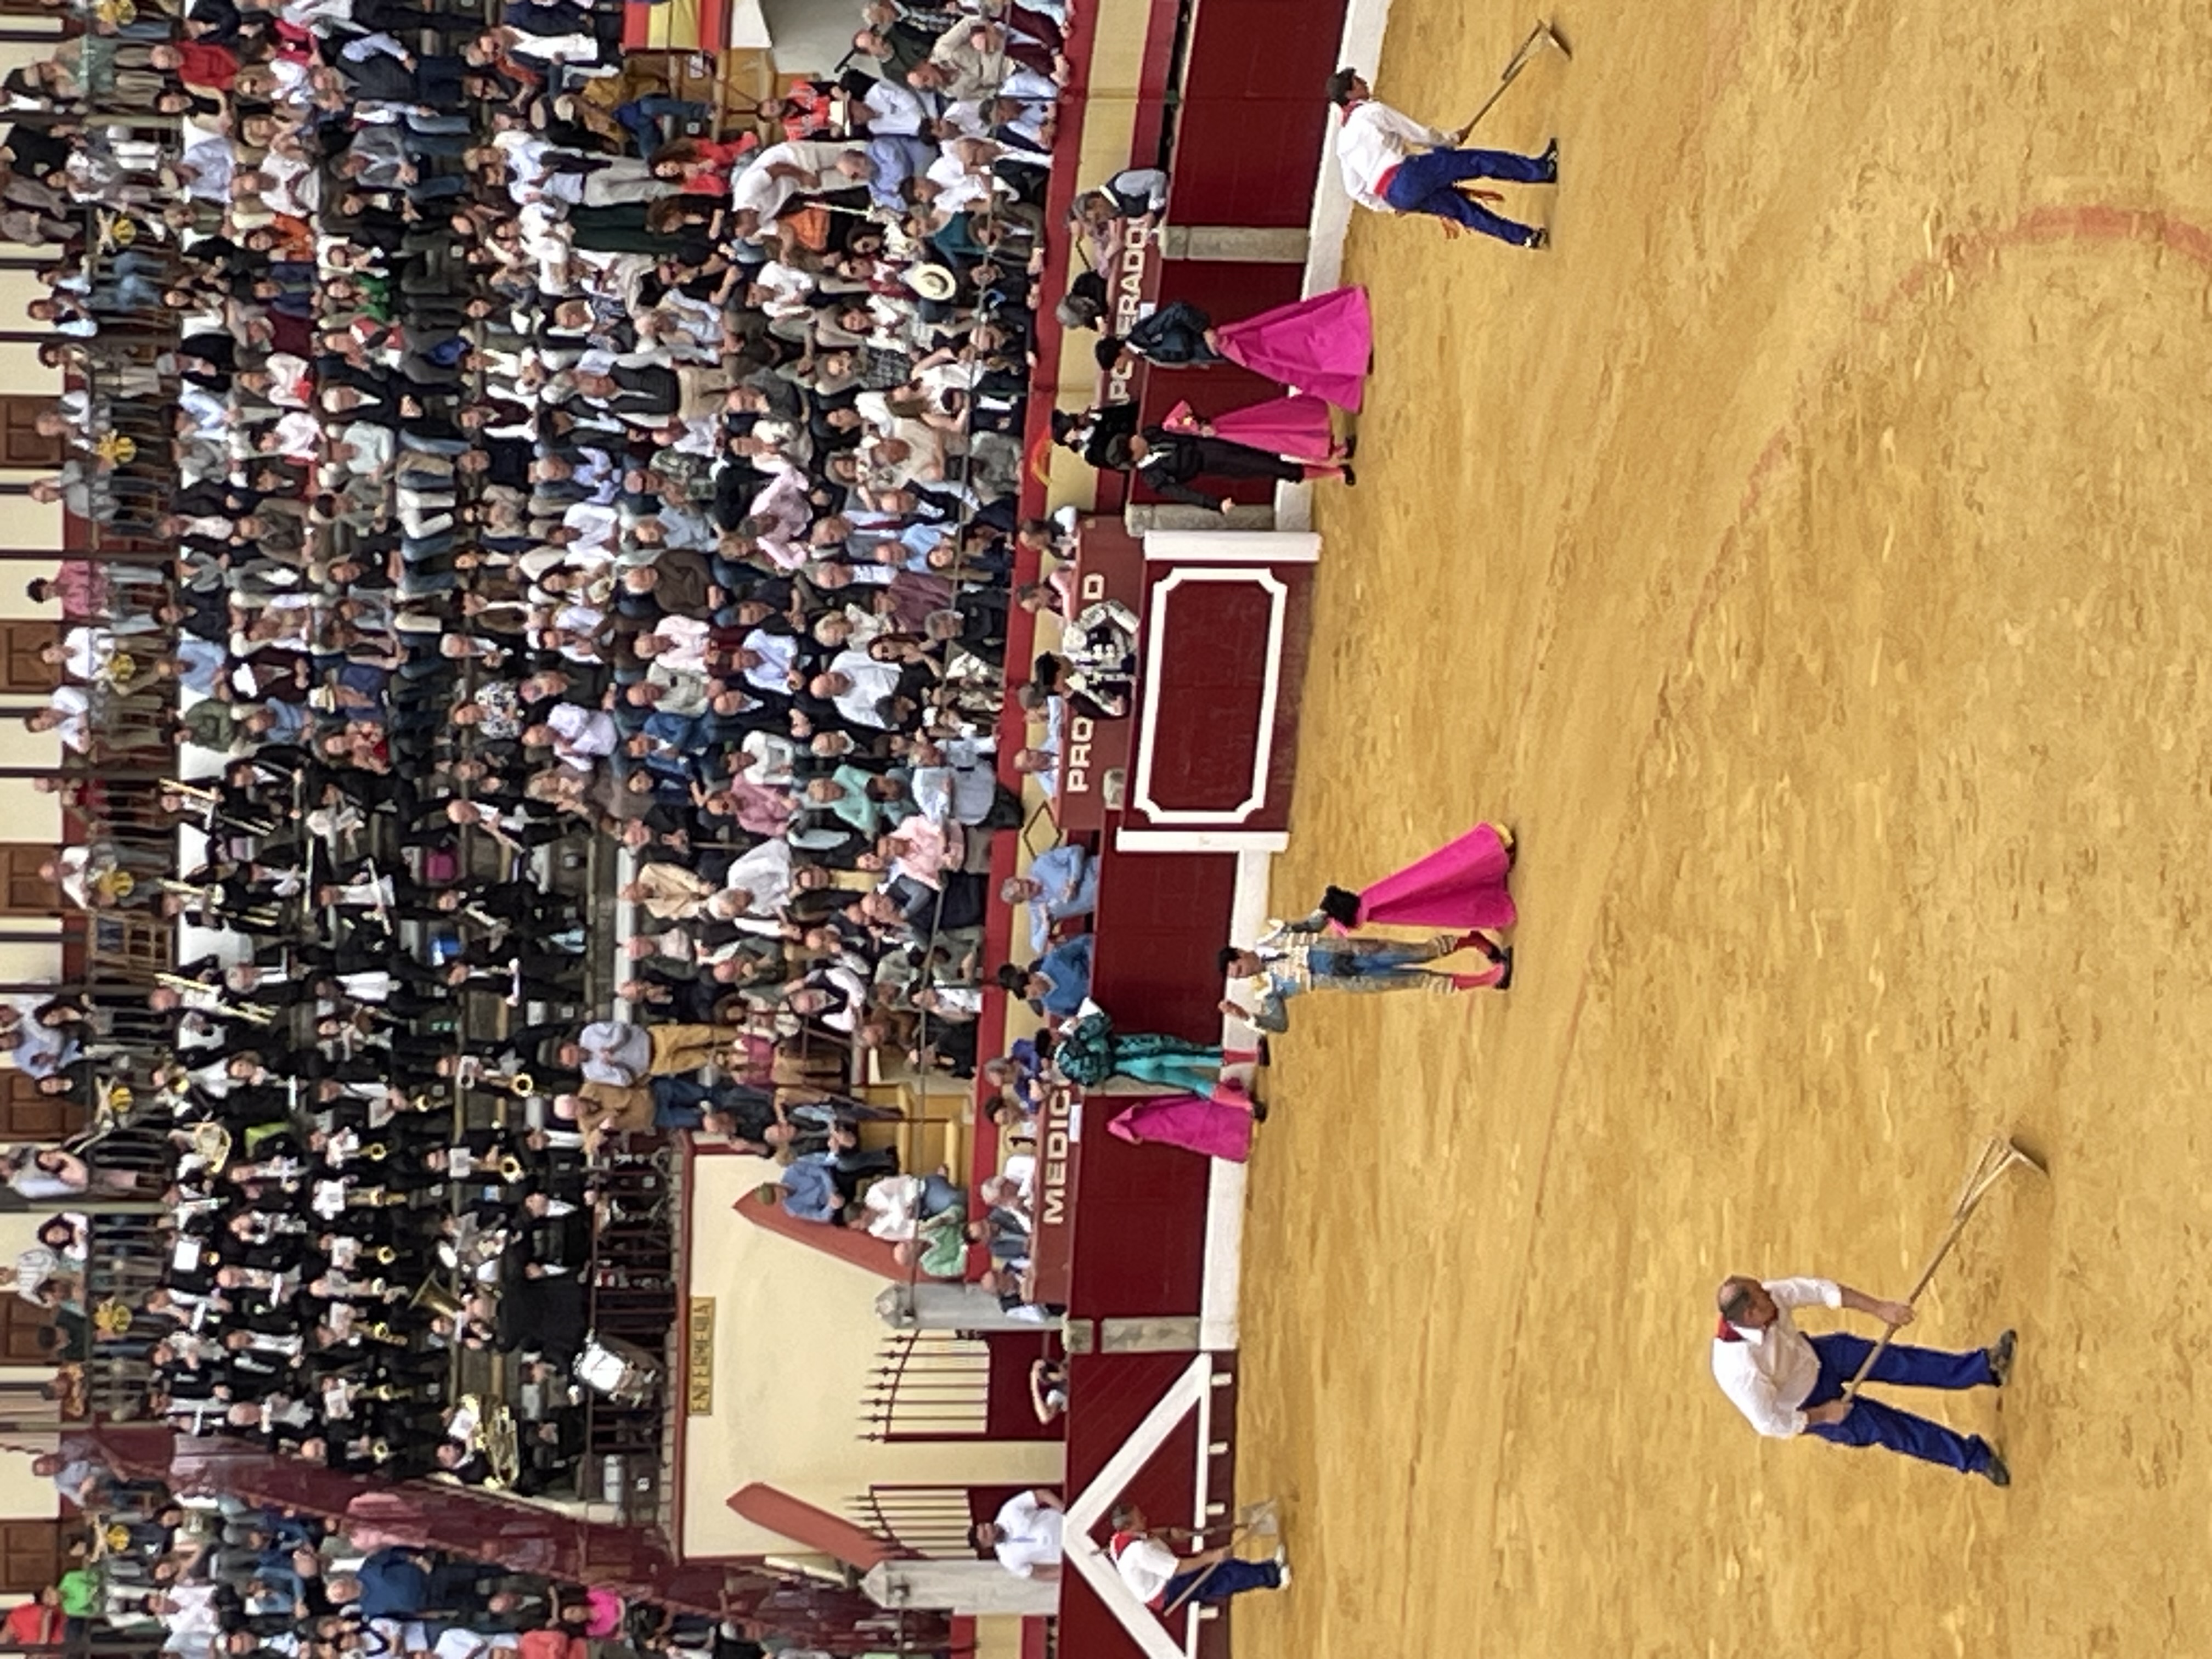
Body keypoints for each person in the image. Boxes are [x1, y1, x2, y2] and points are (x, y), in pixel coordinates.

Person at [1711, 1274, 2015, 1484]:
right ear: (1750, 1314)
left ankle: (1985, 1367)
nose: (1769, 1292)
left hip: (1819, 1355)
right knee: (1897, 1430)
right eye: (1763, 1296)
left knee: (1900, 1362)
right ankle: (1975, 1458)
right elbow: (1770, 1424)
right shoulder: (1739, 1370)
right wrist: (1823, 1415)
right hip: (1811, 1406)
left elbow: (1819, 1290)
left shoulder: (1765, 1297)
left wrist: (1881, 1309)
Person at [1327, 67, 1556, 248]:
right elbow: (1419, 135)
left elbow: (1355, 190)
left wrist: (1388, 205)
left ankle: (1527, 238)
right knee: (1477, 161)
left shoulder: (1343, 142)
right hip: (1409, 175)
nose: (1364, 82)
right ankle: (1542, 170)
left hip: (1396, 196)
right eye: (1358, 82)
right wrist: (1451, 140)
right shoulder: (1371, 111)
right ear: (1350, 94)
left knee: (1464, 212)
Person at [1217, 924, 1509, 1033]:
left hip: (1352, 950)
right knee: (1419, 979)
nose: (1247, 975)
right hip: (1352, 980)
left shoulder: (1274, 936)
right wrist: (1245, 1016)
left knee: (1421, 953)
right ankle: (1488, 979)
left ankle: (1473, 942)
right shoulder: (1268, 991)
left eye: (1240, 969)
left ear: (1241, 953)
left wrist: (1330, 905)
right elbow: (1280, 1025)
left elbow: (1311, 924)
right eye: (1240, 977)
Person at [1311, 820, 1517, 932]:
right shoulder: (1369, 901)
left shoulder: (1369, 909)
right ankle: (1490, 854)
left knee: (1443, 890)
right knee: (1441, 873)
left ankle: (1492, 850)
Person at [1108, 1503, 1287, 1608]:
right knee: (1222, 1576)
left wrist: (1170, 1533)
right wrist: (1214, 1557)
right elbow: (1178, 1569)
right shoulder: (1139, 1552)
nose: (1145, 1519)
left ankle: (1271, 1569)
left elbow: (1148, 1533)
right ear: (1128, 1527)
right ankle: (1275, 1577)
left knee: (1220, 1566)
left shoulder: (1118, 1538)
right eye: (1139, 1518)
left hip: (1164, 1572)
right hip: (1167, 1589)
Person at [974, 1487, 1064, 1577]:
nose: (988, 1528)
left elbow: (1042, 1494)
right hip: (1068, 1551)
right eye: (985, 1534)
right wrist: (1062, 1572)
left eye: (985, 1526)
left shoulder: (1008, 1511)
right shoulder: (1008, 1559)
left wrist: (1065, 1510)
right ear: (986, 1546)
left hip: (1067, 1523)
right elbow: (1035, 1573)